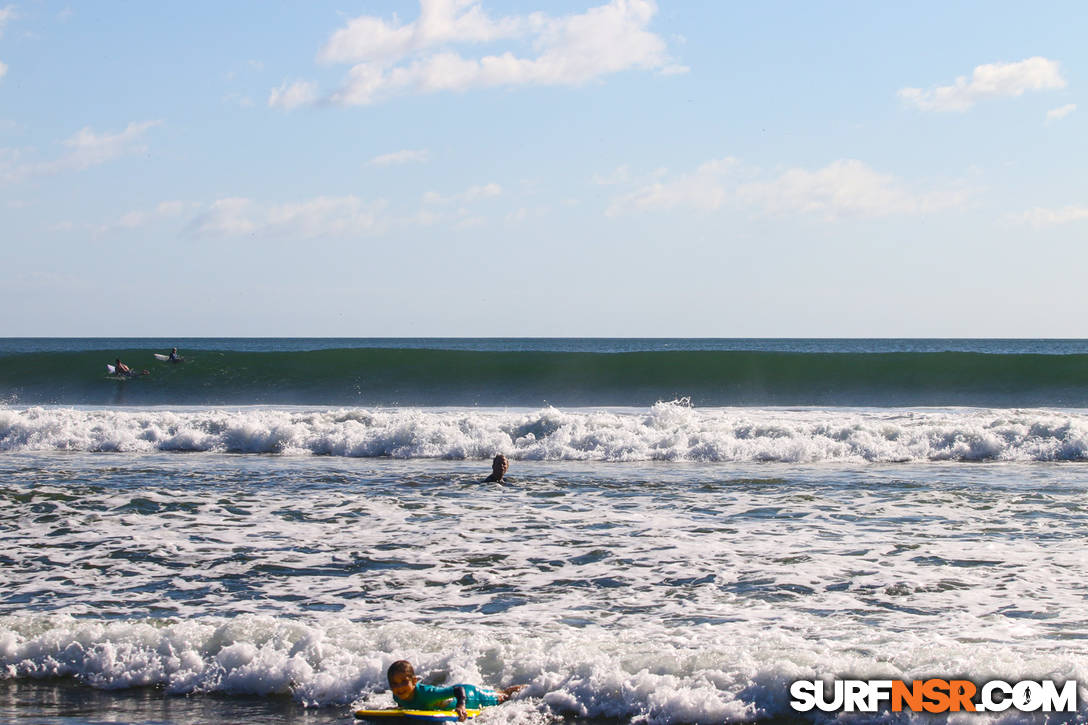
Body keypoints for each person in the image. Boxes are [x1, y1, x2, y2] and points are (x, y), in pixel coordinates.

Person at [387, 660, 523, 722]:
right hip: (460, 695)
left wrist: (460, 706)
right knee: (499, 693)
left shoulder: (427, 694)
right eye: (394, 684)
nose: (399, 687)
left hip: (471, 696)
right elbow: (404, 705)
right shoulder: (398, 694)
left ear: (414, 681)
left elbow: (459, 689)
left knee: (503, 697)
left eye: (404, 681)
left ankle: (526, 688)